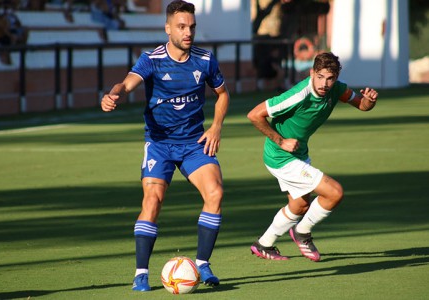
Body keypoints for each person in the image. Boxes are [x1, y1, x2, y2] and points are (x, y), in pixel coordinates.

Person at [101, 0, 230, 292]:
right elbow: (128, 82)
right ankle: (141, 273)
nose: (188, 32)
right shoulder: (151, 58)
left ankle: (202, 264)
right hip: (159, 144)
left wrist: (216, 126)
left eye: (192, 27)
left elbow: (223, 94)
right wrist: (113, 93)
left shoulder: (205, 59)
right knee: (153, 201)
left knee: (215, 193)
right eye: (182, 27)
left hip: (194, 142)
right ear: (168, 28)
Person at [247, 52, 378, 262]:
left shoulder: (337, 89)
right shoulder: (299, 94)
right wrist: (282, 141)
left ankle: (263, 244)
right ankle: (302, 233)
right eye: (320, 77)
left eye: (330, 78)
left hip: (298, 155)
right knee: (334, 192)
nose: (324, 83)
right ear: (312, 73)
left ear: (336, 77)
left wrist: (370, 101)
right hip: (281, 157)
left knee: (300, 206)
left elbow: (362, 105)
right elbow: (254, 115)